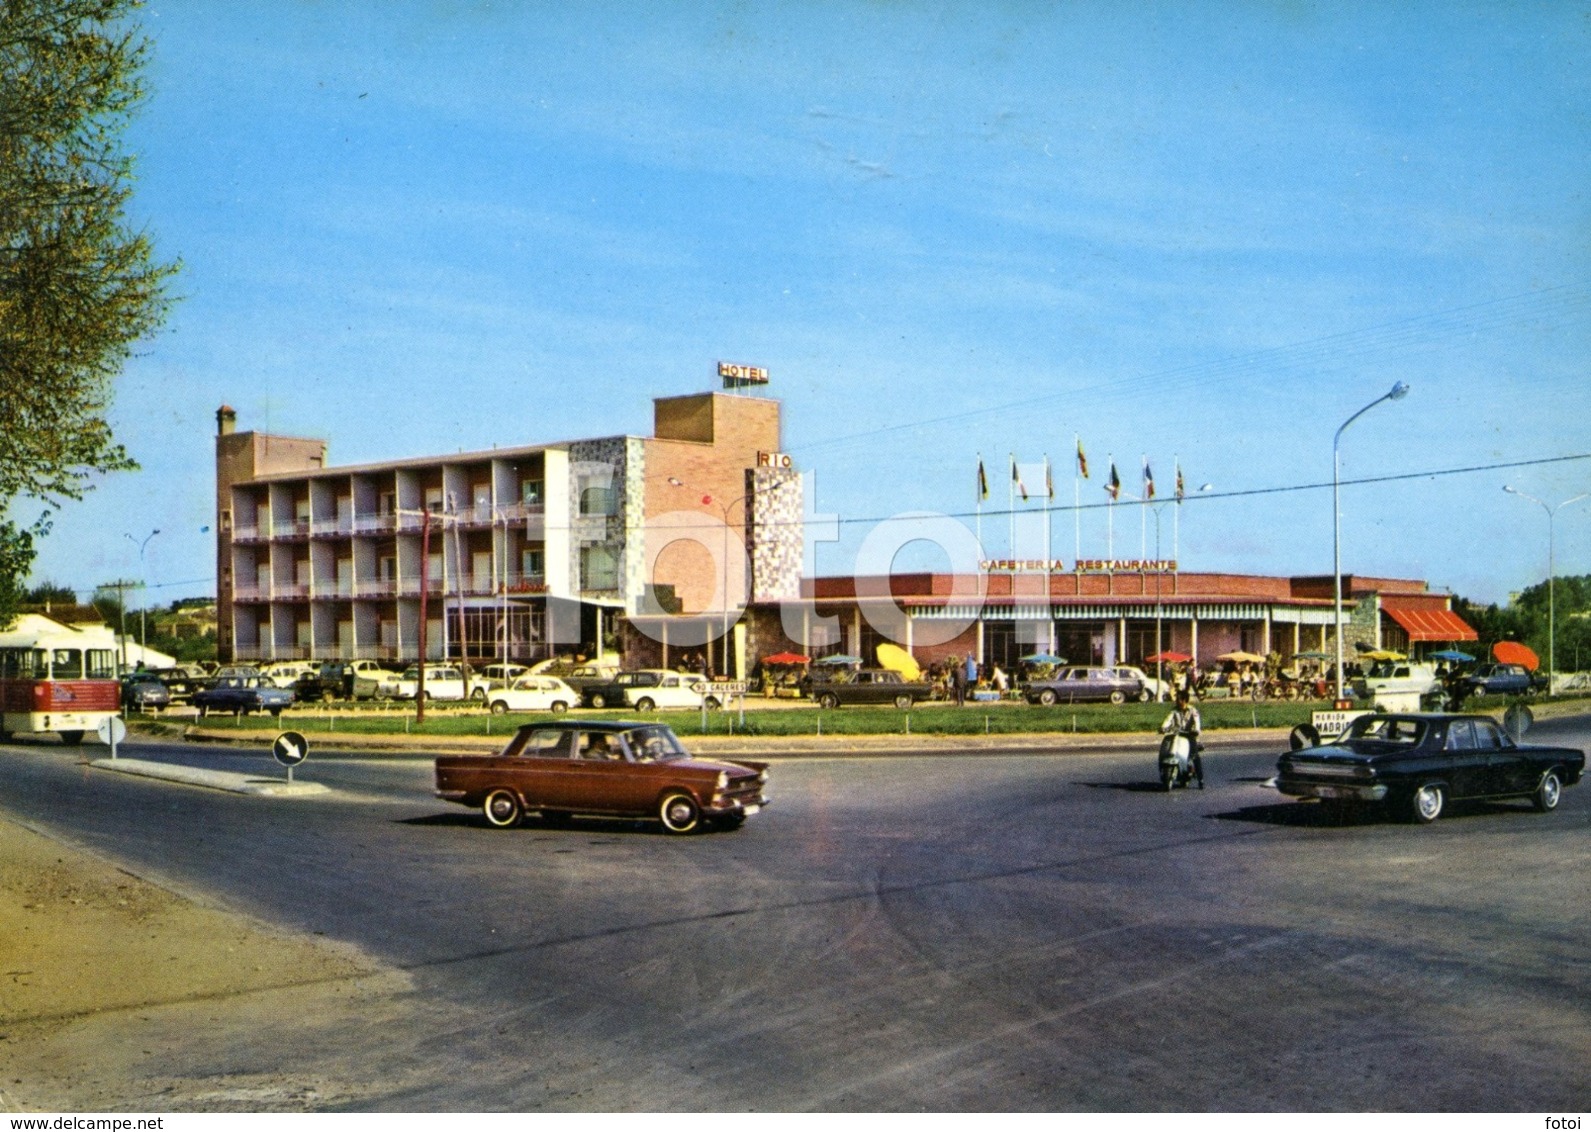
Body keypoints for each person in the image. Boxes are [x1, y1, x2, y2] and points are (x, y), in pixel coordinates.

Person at [1160, 691, 1204, 786]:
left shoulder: (1193, 711)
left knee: (1195, 756)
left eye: (1178, 699)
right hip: (1176, 735)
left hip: (1189, 736)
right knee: (1167, 747)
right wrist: (1163, 727)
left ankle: (1201, 779)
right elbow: (1168, 720)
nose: (1176, 701)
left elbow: (1197, 722)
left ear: (1184, 700)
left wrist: (1196, 730)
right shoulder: (1174, 711)